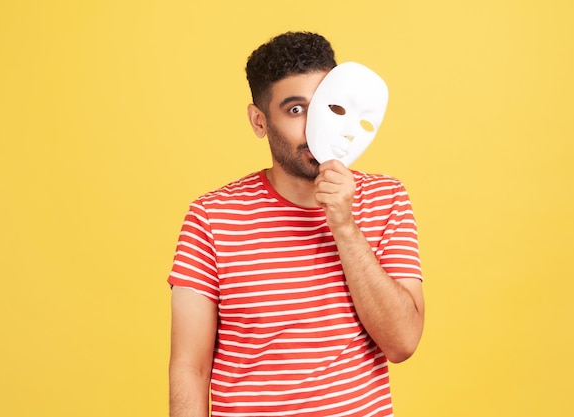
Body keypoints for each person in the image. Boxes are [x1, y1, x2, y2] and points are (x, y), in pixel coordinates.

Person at [168, 31, 425, 417]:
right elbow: (190, 367)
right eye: (295, 110)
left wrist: (345, 225)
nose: (315, 126)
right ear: (259, 121)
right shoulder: (211, 217)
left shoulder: (387, 199)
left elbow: (403, 342)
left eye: (328, 107)